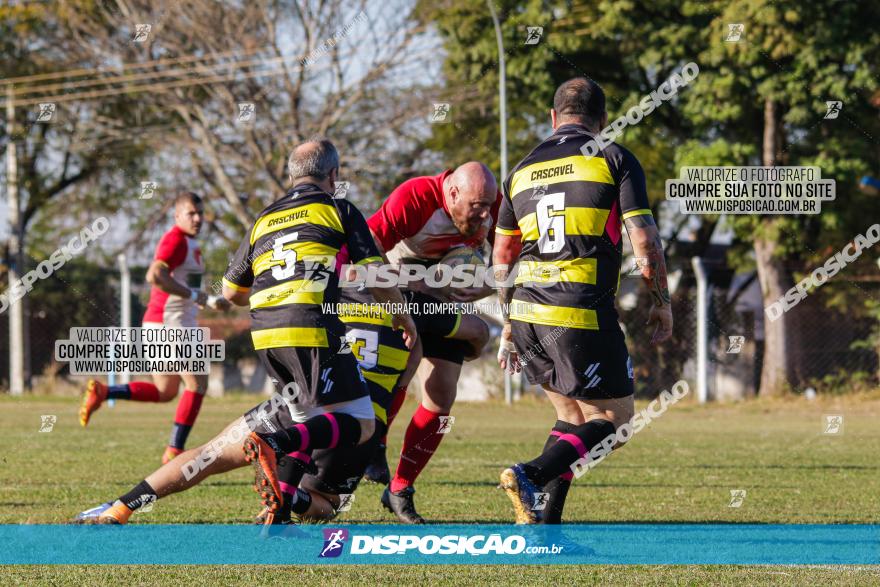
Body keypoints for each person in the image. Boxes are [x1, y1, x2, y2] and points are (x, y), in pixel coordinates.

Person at [74, 138, 417, 525]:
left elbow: (233, 292)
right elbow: (376, 273)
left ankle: (120, 508)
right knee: (362, 423)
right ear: (333, 175)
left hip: (266, 334)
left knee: (222, 448)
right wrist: (402, 316)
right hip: (311, 328)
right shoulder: (339, 209)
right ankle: (274, 448)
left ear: (291, 176)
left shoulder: (265, 218)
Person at [493, 77, 673, 524]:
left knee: (573, 419)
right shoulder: (614, 157)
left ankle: (543, 516)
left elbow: (501, 258)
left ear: (553, 119)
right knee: (617, 419)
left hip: (528, 313)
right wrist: (661, 301)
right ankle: (529, 473)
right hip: (579, 311)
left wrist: (509, 326)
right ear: (603, 120)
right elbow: (646, 242)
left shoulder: (520, 171)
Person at [365, 162, 500, 523]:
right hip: (397, 294)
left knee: (441, 397)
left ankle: (400, 488)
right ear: (453, 193)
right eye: (477, 206)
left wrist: (484, 284)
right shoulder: (415, 196)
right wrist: (399, 286)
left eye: (489, 204)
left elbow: (507, 261)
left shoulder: (493, 203)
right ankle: (375, 442)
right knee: (470, 334)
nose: (485, 213)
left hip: (443, 300)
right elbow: (367, 247)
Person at [78, 191, 232, 464]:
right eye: (190, 214)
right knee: (197, 383)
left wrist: (205, 300)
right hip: (169, 322)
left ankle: (104, 391)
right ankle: (174, 451)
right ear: (177, 216)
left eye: (200, 213)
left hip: (164, 321)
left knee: (165, 392)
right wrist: (200, 298)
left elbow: (181, 283)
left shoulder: (189, 243)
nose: (197, 218)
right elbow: (155, 275)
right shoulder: (175, 239)